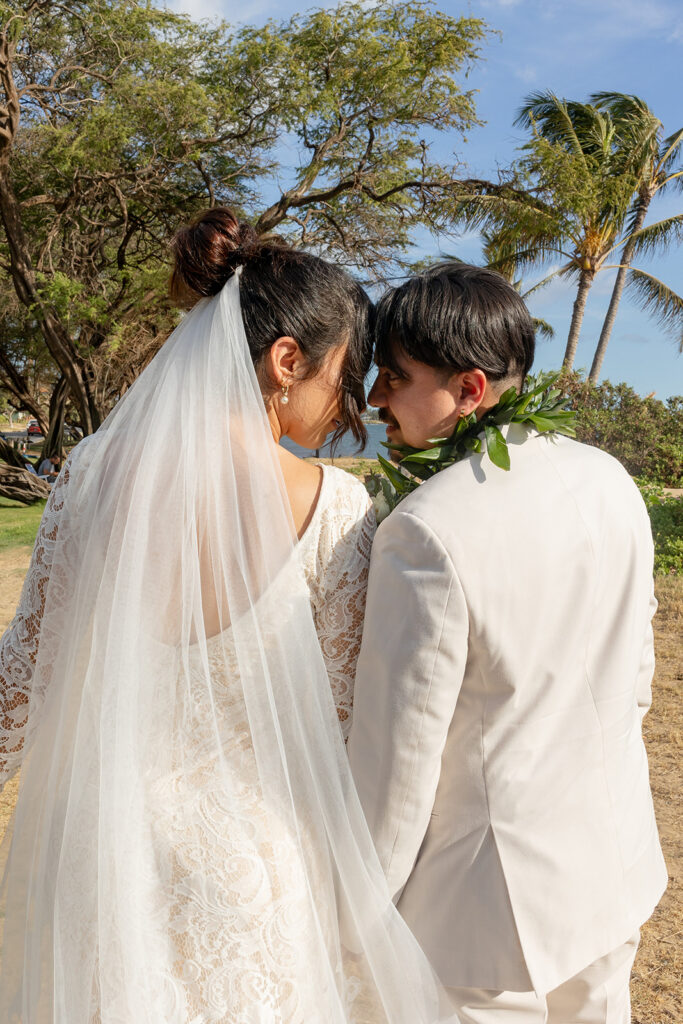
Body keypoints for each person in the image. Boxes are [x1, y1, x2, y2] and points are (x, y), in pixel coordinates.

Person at [0, 210, 454, 1024]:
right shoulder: (333, 507)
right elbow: (350, 729)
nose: (347, 404)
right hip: (245, 880)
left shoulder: (89, 478)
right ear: (288, 361)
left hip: (100, 866)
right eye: (344, 377)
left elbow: (21, 681)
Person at [348, 263, 667, 1024]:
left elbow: (397, 767)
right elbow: (637, 677)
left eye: (393, 376)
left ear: (468, 390)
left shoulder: (425, 529)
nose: (373, 399)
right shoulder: (609, 478)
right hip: (611, 864)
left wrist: (354, 914)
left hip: (489, 922)